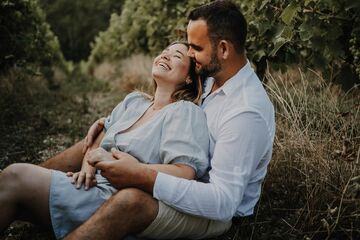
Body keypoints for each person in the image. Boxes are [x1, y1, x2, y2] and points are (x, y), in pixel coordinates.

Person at [49, 1, 275, 239]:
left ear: (223, 49)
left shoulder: (246, 112)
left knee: (130, 200)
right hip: (179, 172)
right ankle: (21, 185)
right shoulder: (211, 77)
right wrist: (110, 122)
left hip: (209, 210)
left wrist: (142, 175)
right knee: (93, 143)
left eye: (195, 48)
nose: (189, 53)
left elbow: (223, 202)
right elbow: (166, 100)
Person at [0, 42, 211, 239]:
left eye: (176, 55)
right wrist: (87, 166)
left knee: (14, 176)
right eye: (165, 51)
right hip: (92, 185)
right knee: (13, 190)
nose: (166, 55)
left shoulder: (184, 112)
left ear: (189, 78)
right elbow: (104, 130)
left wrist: (135, 169)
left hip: (114, 199)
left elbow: (185, 172)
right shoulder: (135, 101)